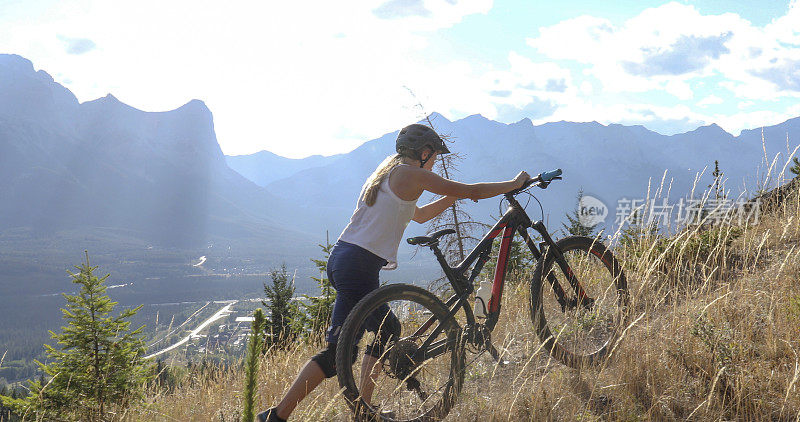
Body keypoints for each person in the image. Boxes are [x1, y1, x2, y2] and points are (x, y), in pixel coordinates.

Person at [258, 123, 529, 422]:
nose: (436, 160)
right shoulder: (410, 174)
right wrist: (512, 184)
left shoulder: (390, 173)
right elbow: (472, 191)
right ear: (424, 153)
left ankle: (288, 415)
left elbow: (422, 215)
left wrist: (452, 198)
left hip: (346, 260)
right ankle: (351, 410)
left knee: (344, 350)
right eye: (435, 155)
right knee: (375, 335)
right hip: (358, 264)